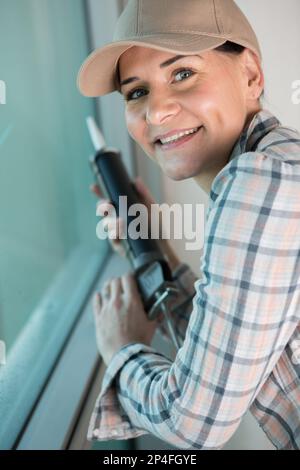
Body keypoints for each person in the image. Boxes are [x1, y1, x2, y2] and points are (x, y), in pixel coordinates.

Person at [77, 0, 300, 450]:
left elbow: (195, 423)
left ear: (251, 75)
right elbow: (228, 358)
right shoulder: (279, 165)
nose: (157, 112)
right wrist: (153, 251)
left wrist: (122, 350)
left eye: (182, 74)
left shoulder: (260, 182)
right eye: (136, 92)